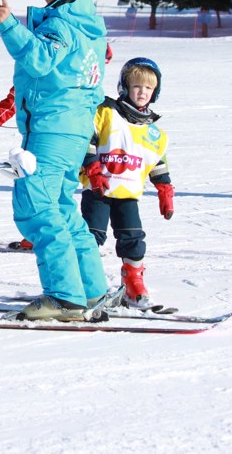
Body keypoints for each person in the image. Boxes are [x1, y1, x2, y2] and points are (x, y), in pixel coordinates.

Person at [0, 0, 109, 321]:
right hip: (74, 130)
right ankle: (91, 290)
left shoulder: (62, 23)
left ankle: (64, 296)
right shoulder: (92, 27)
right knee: (61, 209)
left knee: (37, 208)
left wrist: (8, 24)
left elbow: (40, 59)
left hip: (51, 129)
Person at [0, 43, 114, 252]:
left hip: (71, 138)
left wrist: (97, 49)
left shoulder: (77, 75)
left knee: (57, 191)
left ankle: (64, 237)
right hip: (43, 138)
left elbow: (95, 57)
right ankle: (39, 234)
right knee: (40, 187)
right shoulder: (38, 73)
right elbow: (15, 98)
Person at [80, 58, 172, 309]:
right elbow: (88, 138)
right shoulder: (106, 113)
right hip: (99, 188)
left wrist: (165, 188)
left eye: (148, 88)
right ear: (124, 87)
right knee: (91, 237)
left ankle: (133, 285)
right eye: (136, 86)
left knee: (133, 238)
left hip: (128, 192)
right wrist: (92, 166)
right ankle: (83, 285)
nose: (142, 92)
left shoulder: (154, 132)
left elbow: (157, 161)